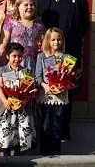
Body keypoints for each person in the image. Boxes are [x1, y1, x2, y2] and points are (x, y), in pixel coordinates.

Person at [37, 0, 89, 141]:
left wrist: (75, 56)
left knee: (66, 92)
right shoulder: (42, 0)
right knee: (47, 93)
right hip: (47, 57)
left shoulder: (78, 0)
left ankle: (63, 130)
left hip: (69, 55)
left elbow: (84, 28)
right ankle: (46, 130)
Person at [0, 42, 36, 156]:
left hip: (21, 107)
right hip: (6, 106)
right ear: (8, 56)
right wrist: (5, 101)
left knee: (18, 130)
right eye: (14, 56)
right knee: (6, 129)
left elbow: (29, 90)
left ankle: (17, 152)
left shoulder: (26, 72)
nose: (17, 59)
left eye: (20, 56)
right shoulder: (2, 70)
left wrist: (24, 102)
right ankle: (6, 152)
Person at [35, 27, 70, 155]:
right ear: (48, 41)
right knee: (45, 124)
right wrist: (45, 86)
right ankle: (44, 152)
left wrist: (64, 85)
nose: (56, 42)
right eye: (53, 39)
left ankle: (56, 152)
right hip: (46, 95)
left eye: (59, 39)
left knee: (57, 125)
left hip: (60, 96)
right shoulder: (41, 56)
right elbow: (37, 76)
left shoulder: (66, 57)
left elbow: (69, 77)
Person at [0, 0, 45, 72]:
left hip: (34, 64)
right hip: (15, 64)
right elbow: (3, 44)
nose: (29, 7)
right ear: (18, 7)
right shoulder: (11, 22)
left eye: (32, 5)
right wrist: (3, 66)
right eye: (26, 5)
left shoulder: (39, 25)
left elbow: (44, 45)